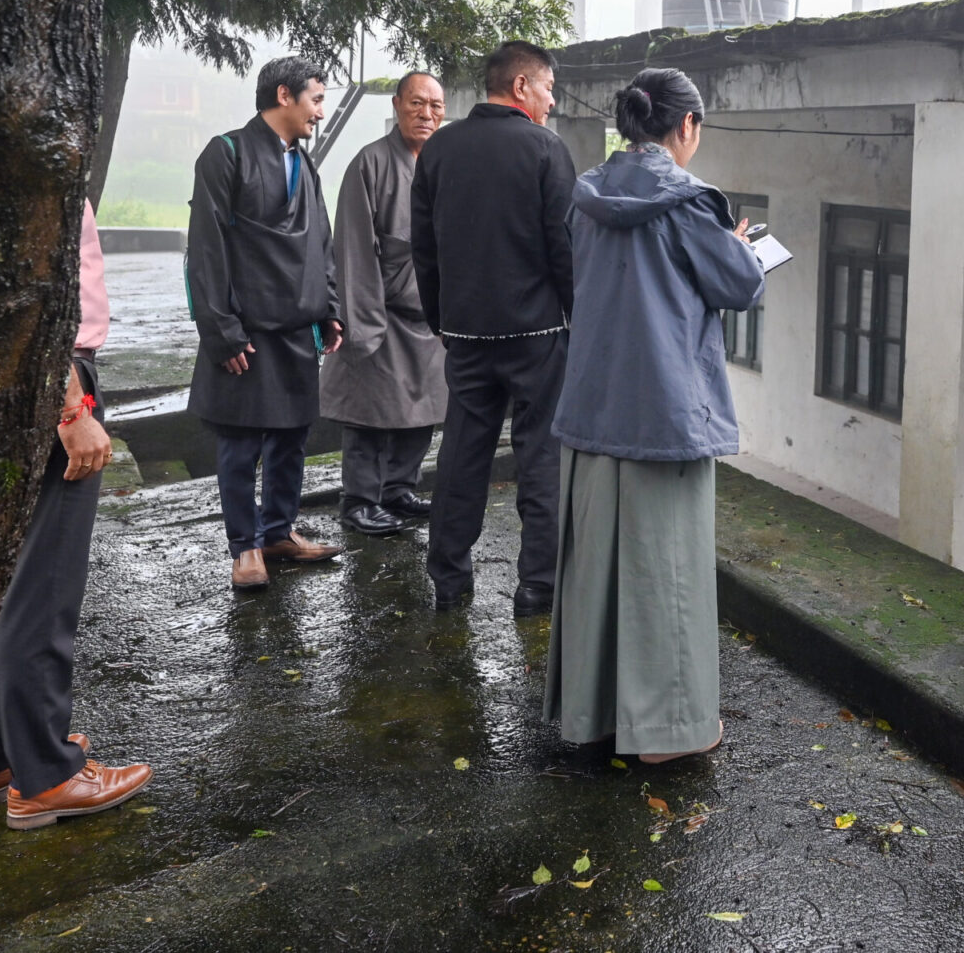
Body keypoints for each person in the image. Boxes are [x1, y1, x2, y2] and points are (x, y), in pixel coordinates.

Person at [543, 67, 764, 763]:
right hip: (665, 410)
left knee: (600, 570)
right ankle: (665, 736)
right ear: (686, 125)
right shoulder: (688, 202)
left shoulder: (587, 193)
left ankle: (597, 714)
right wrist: (739, 246)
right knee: (666, 572)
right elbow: (740, 285)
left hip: (593, 402)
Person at [0, 199, 155, 828]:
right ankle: (46, 774)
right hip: (47, 375)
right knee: (41, 584)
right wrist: (70, 405)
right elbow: (27, 284)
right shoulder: (23, 149)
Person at [411, 40, 575, 615]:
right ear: (521, 86)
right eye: (548, 88)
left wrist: (440, 319)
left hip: (465, 334)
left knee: (461, 454)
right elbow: (564, 249)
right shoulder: (546, 149)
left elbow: (423, 247)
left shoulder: (440, 148)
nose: (552, 101)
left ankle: (449, 578)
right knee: (541, 457)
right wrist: (576, 320)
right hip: (537, 336)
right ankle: (537, 586)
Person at [186, 55, 346, 591]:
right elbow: (205, 249)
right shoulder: (226, 152)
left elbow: (321, 242)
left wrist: (330, 308)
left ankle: (278, 532)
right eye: (316, 100)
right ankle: (245, 547)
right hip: (246, 331)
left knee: (291, 439)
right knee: (240, 444)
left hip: (297, 327)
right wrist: (221, 331)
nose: (320, 112)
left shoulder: (304, 163)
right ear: (284, 95)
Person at [320, 71, 448, 536]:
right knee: (369, 412)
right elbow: (353, 250)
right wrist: (362, 325)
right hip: (381, 312)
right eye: (417, 103)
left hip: (431, 316)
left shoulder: (444, 164)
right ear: (397, 105)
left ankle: (398, 489)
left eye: (436, 106)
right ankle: (358, 500)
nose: (426, 114)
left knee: (423, 409)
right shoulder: (370, 163)